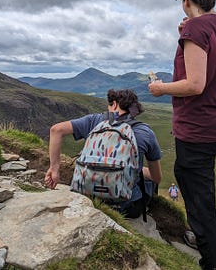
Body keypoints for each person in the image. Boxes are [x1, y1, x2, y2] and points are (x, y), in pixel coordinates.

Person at [148, 0, 216, 270]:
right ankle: (203, 239)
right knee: (197, 185)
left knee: (199, 201)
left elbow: (195, 85)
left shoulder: (196, 29)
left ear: (186, 0)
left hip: (199, 127)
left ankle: (212, 261)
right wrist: (188, 31)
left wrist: (160, 89)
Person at [45, 88, 162, 219]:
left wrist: (54, 169)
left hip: (87, 196)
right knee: (150, 182)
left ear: (115, 104)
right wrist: (140, 170)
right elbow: (157, 178)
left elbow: (56, 130)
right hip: (126, 207)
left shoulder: (94, 121)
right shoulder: (145, 132)